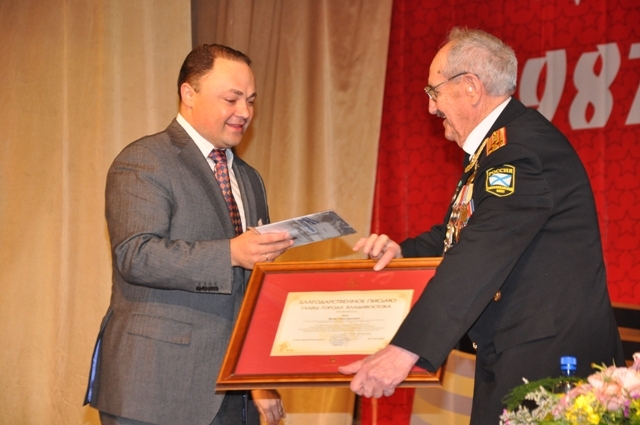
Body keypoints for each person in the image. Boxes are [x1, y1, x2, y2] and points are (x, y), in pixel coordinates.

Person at [339, 28, 625, 424]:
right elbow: (464, 232)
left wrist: (404, 350)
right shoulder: (499, 146)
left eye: (433, 91)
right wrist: (403, 252)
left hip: (551, 368)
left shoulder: (518, 151)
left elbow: (480, 253)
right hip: (521, 354)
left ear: (471, 87)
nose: (431, 108)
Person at [84, 44, 294, 425]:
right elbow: (136, 255)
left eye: (250, 100)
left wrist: (259, 375)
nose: (245, 112)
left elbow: (250, 289)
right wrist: (232, 253)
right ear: (189, 93)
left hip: (234, 393)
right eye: (231, 99)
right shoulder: (145, 160)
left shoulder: (249, 178)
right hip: (155, 389)